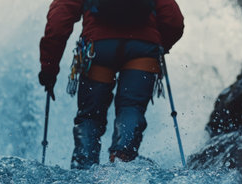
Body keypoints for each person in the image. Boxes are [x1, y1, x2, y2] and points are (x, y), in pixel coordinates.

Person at [39, 0, 184, 169]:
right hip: (142, 48)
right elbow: (174, 21)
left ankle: (83, 171)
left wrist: (49, 67)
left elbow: (58, 21)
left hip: (98, 48)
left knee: (90, 116)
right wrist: (159, 45)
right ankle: (122, 163)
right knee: (132, 107)